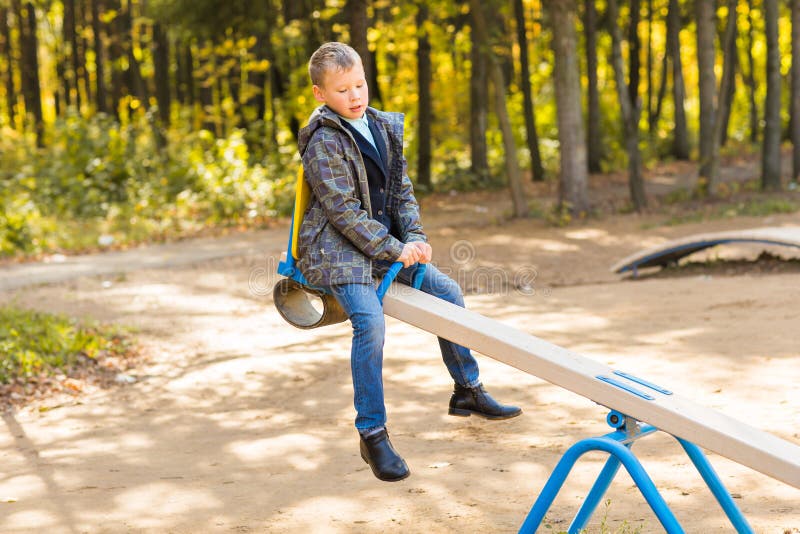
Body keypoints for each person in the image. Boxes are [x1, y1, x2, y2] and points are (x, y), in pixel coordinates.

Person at [296, 42, 521, 482]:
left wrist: (413, 237)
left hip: (385, 246)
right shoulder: (323, 141)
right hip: (339, 251)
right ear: (321, 95)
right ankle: (373, 434)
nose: (355, 96)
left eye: (359, 84)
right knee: (370, 321)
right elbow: (342, 212)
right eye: (342, 90)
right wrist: (394, 249)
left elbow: (402, 192)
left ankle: (467, 390)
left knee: (448, 293)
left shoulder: (381, 125)